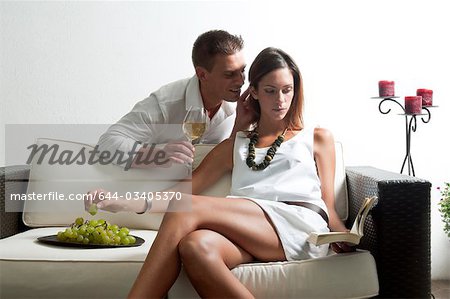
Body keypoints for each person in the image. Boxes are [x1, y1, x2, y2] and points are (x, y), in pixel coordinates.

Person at [87, 47, 352, 298]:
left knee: (186, 210)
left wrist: (343, 234)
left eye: (287, 90)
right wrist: (121, 201)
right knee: (195, 247)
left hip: (298, 224)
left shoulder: (316, 137)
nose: (280, 100)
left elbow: (327, 203)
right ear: (255, 93)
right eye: (271, 90)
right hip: (249, 229)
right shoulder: (235, 144)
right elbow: (183, 191)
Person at [97, 29, 252, 169]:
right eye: (229, 74)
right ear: (202, 75)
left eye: (242, 70)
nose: (241, 81)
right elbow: (106, 144)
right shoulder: (165, 104)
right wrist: (159, 155)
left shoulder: (241, 107)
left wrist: (240, 128)